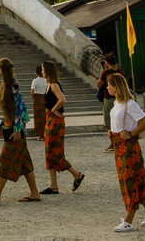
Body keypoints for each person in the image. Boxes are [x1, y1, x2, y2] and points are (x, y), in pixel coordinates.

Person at [0, 57, 41, 205]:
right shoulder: (6, 84)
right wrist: (1, 125)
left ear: (1, 69)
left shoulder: (13, 85)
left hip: (15, 130)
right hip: (9, 128)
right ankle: (34, 193)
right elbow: (9, 110)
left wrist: (18, 129)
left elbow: (21, 108)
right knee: (25, 163)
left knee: (5, 160)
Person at [106, 73, 145, 232]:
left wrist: (132, 133)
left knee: (129, 180)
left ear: (116, 87)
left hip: (128, 147)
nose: (107, 88)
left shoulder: (130, 104)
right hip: (118, 145)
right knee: (134, 179)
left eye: (109, 85)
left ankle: (129, 220)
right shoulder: (117, 102)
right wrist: (112, 131)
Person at [41, 60, 85, 194]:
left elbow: (63, 99)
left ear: (47, 71)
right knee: (49, 153)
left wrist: (53, 110)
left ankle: (77, 174)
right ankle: (54, 186)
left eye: (43, 69)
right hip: (50, 121)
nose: (41, 71)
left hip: (54, 122)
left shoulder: (54, 85)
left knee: (55, 153)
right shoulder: (49, 85)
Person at [97, 52, 125, 150]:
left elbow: (99, 84)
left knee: (109, 121)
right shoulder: (120, 72)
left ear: (106, 62)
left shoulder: (106, 73)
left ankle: (113, 143)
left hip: (108, 98)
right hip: (119, 97)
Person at [30, 65, 47, 140]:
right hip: (46, 98)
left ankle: (40, 134)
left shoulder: (35, 81)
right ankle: (46, 132)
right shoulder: (46, 80)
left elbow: (32, 91)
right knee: (45, 116)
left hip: (37, 99)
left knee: (38, 117)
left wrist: (33, 97)